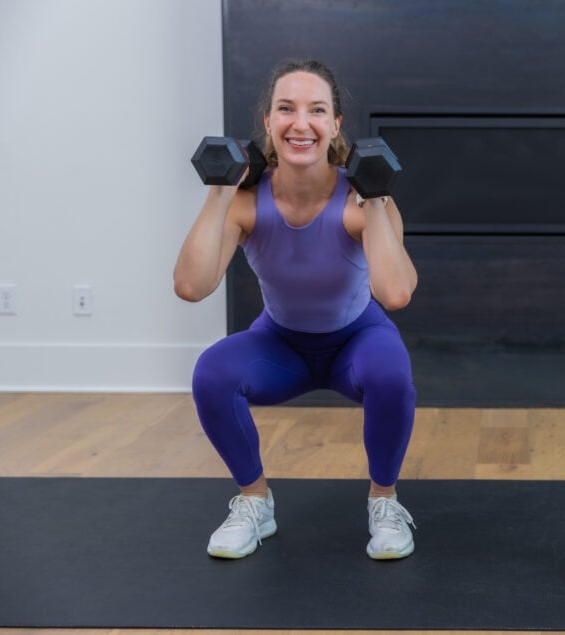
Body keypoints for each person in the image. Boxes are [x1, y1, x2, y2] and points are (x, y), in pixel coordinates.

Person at [173, 59, 419, 561]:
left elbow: (395, 294)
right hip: (280, 344)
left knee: (392, 373)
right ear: (267, 122)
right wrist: (220, 191)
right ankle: (255, 502)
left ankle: (385, 503)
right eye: (286, 109)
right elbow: (191, 286)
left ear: (334, 126)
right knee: (212, 373)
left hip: (357, 340)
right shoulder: (245, 202)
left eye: (317, 110)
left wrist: (376, 202)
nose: (300, 123)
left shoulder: (362, 199)